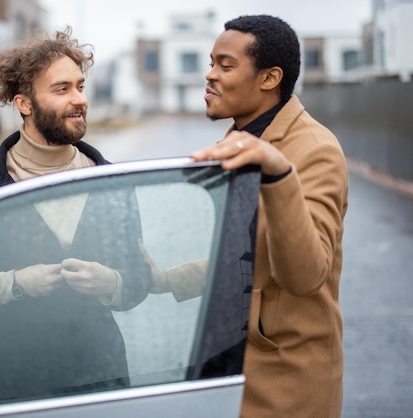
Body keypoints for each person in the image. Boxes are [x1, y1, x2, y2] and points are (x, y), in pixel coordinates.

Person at [0, 27, 150, 403]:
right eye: (62, 90)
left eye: (80, 86)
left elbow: (138, 279)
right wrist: (14, 284)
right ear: (24, 104)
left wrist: (111, 282)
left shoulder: (110, 178)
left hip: (100, 380)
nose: (79, 99)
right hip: (15, 383)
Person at [145, 15, 348, 417]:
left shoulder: (315, 150)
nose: (209, 75)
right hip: (228, 371)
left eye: (225, 65)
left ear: (269, 78)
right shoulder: (243, 138)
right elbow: (244, 259)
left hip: (284, 383)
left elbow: (306, 275)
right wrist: (161, 280)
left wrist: (279, 175)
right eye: (210, 63)